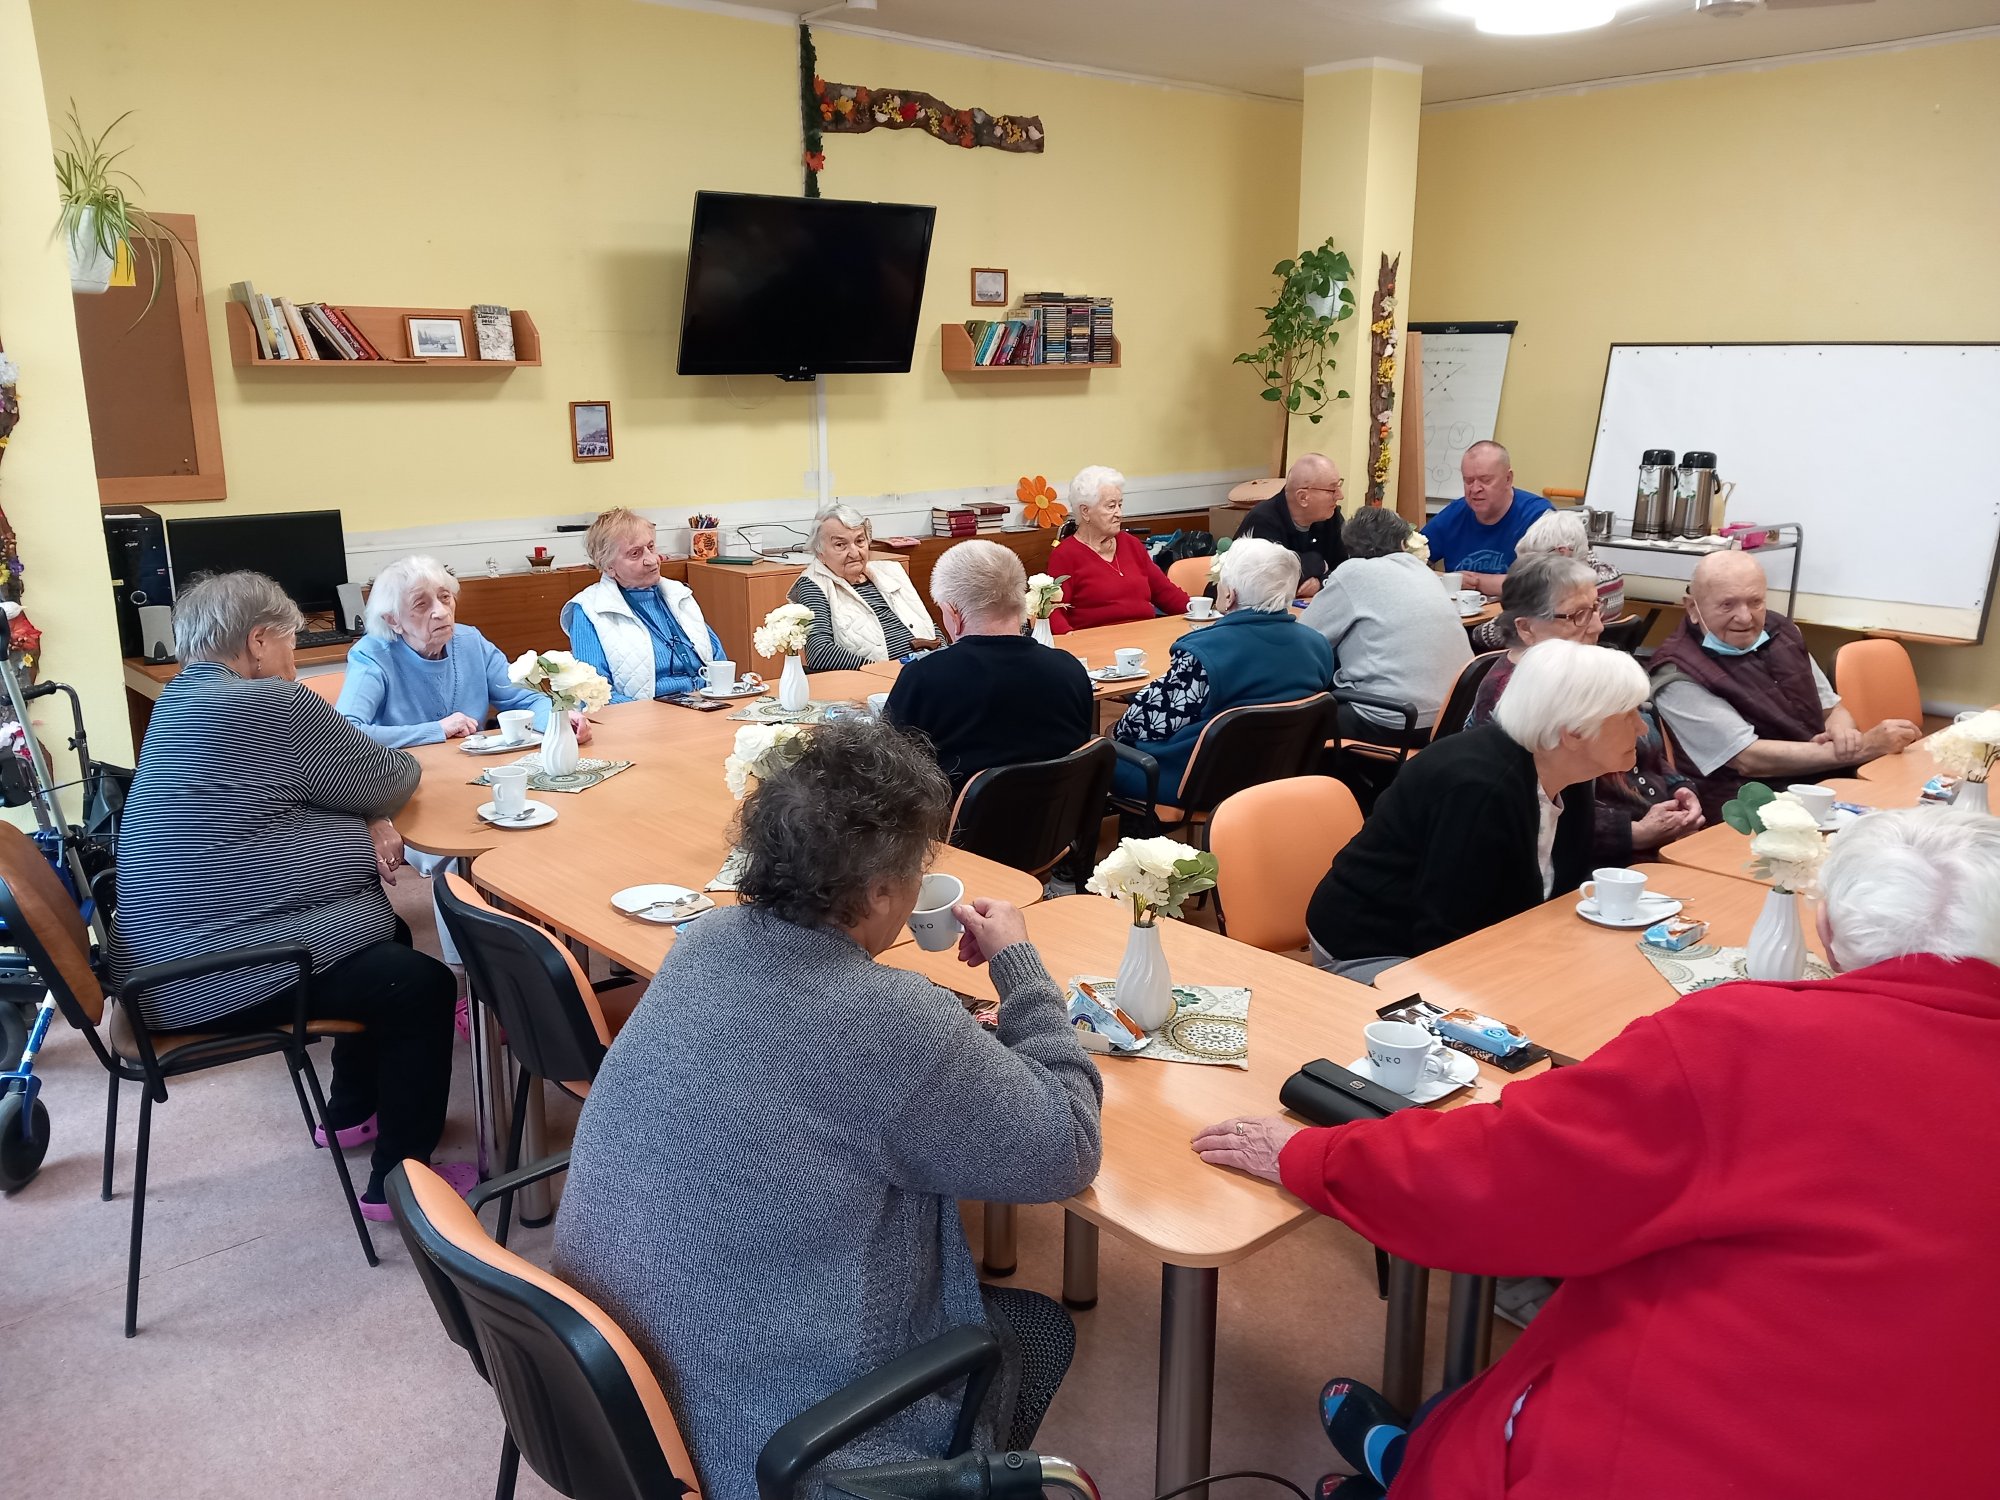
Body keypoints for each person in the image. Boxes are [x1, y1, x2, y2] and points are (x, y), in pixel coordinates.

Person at [1195, 807, 2000, 1499]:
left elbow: (1494, 1180)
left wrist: (1309, 1156)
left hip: (1714, 1452)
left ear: (1826, 933)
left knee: (1484, 1420)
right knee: (1473, 1402)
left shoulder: (1752, 1041)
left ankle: (1407, 1466)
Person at [553, 719, 1102, 1500]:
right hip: (769, 1453)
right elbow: (1068, 1145)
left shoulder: (704, 938)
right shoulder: (891, 1019)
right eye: (916, 869)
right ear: (879, 891)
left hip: (608, 1403)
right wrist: (1020, 969)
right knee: (1037, 1331)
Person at [111, 571, 464, 1219]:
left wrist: (357, 813)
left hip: (155, 962)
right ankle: (404, 1186)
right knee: (421, 986)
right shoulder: (270, 703)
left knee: (386, 936)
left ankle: (350, 1112)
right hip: (205, 979)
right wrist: (368, 813)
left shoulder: (180, 698)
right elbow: (389, 778)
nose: (295, 658)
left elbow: (283, 800)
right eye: (291, 642)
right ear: (258, 641)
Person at [1304, 639, 1645, 983]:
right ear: (1573, 732)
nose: (1642, 728)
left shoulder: (1571, 774)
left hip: (1483, 944)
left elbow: (1556, 901)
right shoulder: (1478, 788)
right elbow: (1445, 934)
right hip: (1375, 948)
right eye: (1629, 715)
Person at [1650, 550, 1920, 819]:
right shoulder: (1676, 672)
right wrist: (1862, 748)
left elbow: (1832, 709)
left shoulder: (1782, 631)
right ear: (1692, 608)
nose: (1745, 617)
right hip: (1753, 806)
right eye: (1727, 605)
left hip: (1826, 783)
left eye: (1755, 602)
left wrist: (1843, 734)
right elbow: (1748, 758)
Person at [1468, 557, 1702, 862]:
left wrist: (1680, 789)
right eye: (1578, 615)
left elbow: (1646, 747)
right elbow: (1535, 806)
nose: (1598, 626)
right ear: (1526, 628)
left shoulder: (1590, 669)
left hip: (1657, 828)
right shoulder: (1511, 699)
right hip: (1596, 856)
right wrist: (1633, 833)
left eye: (1595, 607)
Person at [1110, 538, 1333, 805]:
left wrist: (1114, 730)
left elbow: (1141, 723)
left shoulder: (1203, 654)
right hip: (1277, 778)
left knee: (1101, 749)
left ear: (1229, 595)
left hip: (1196, 784)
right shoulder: (1317, 645)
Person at [885, 539, 1094, 793]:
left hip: (955, 818)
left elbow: (889, 773)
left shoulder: (924, 678)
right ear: (1020, 603)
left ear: (954, 614)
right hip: (1061, 815)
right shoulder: (1069, 670)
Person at [338, 554, 592, 750]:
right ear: (393, 620)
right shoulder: (371, 656)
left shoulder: (470, 641)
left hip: (471, 767)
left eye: (445, 597)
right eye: (421, 604)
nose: (441, 612)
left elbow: (526, 699)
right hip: (402, 775)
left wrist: (559, 721)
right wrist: (436, 730)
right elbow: (345, 734)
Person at [1300, 506, 1470, 747]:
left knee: (1300, 718)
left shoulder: (1353, 572)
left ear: (1349, 547)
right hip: (1452, 719)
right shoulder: (1423, 571)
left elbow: (1304, 638)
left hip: (1395, 720)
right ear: (1402, 543)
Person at [561, 507, 724, 702]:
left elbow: (719, 662)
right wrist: (648, 714)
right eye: (635, 553)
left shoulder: (679, 595)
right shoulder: (590, 610)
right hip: (646, 712)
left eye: (651, 547)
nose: (652, 560)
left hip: (706, 703)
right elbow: (594, 695)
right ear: (609, 566)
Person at [788, 502, 939, 671]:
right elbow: (820, 653)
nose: (854, 553)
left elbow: (928, 625)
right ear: (820, 552)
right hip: (881, 678)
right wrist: (878, 670)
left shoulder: (891, 570)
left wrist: (944, 655)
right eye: (840, 545)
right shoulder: (813, 585)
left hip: (925, 668)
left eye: (859, 541)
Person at [1047, 465, 1190, 632]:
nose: (1119, 514)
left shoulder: (1131, 544)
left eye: (1120, 505)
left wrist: (1201, 611)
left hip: (1145, 636)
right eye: (1111, 506)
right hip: (1098, 642)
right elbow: (1054, 612)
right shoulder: (1065, 555)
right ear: (1085, 511)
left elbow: (1166, 593)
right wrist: (1070, 640)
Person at [1467, 508, 1622, 651]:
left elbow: (1483, 636)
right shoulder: (1613, 575)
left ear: (1562, 553)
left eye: (1536, 562)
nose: (1531, 570)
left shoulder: (1569, 594)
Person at [1422, 441, 1553, 596]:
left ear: (1508, 479)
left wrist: (1476, 581)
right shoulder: (1453, 514)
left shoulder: (1538, 516)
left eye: (1486, 480)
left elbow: (1545, 582)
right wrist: (1446, 579)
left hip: (1517, 609)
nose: (1475, 489)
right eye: (1468, 481)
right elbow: (1409, 561)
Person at [1233, 452, 1348, 598]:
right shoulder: (1263, 521)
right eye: (1332, 490)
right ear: (1302, 497)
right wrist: (1317, 563)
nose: (1340, 495)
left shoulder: (1330, 516)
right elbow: (1270, 582)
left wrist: (1321, 582)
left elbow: (1347, 570)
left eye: (1339, 485)